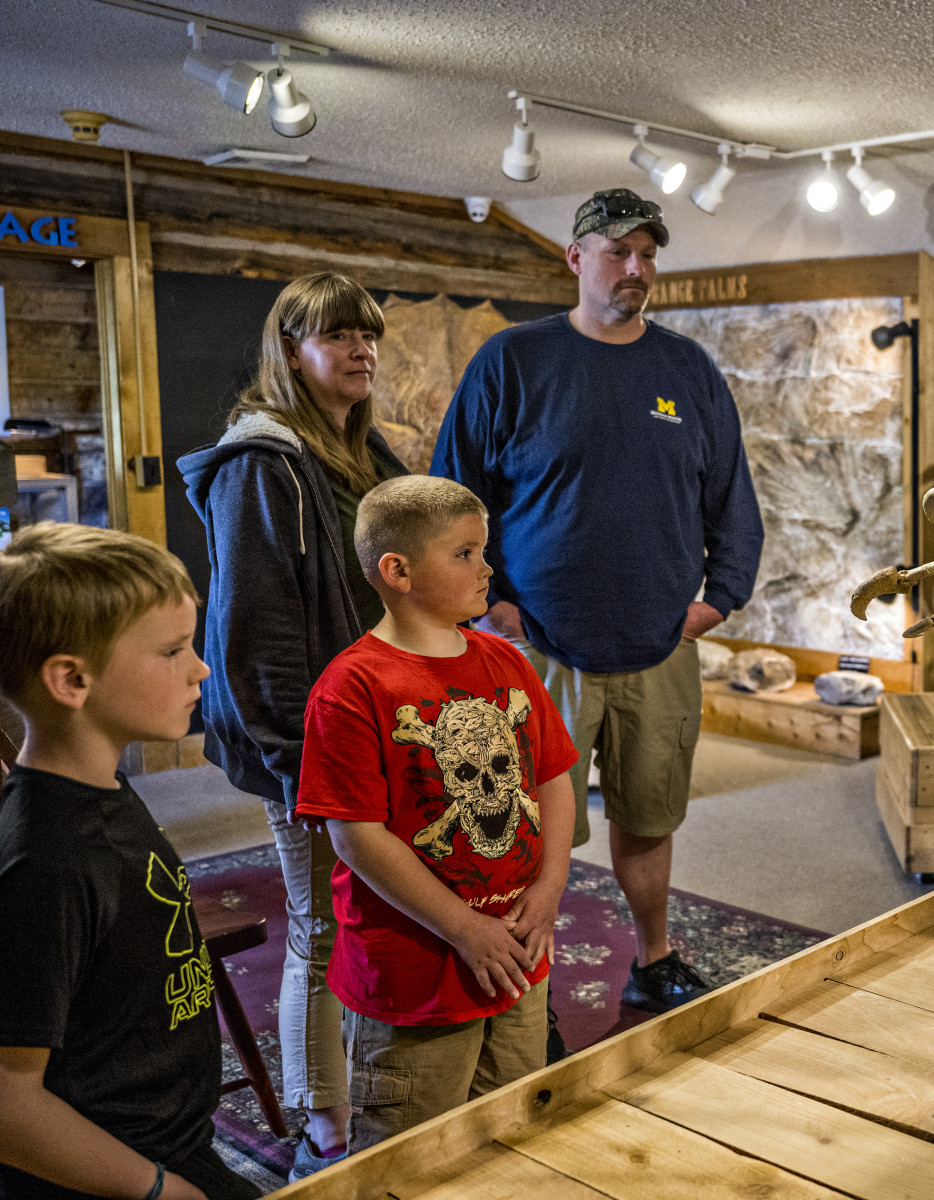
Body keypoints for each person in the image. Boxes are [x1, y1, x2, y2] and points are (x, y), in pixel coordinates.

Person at [432, 189, 763, 1014]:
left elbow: (732, 498)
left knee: (650, 817)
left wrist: (719, 599)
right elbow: (449, 496)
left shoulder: (687, 369)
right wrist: (489, 608)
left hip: (660, 643)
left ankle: (654, 958)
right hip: (536, 645)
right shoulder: (512, 362)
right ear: (576, 259)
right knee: (525, 834)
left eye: (648, 253)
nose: (637, 269)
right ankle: (524, 990)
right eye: (618, 252)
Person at [177, 272, 408, 1180]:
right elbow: (255, 637)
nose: (363, 351)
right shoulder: (260, 464)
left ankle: (376, 1087)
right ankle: (324, 1122)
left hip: (381, 729)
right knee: (321, 930)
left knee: (376, 915)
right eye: (339, 335)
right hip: (309, 746)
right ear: (289, 350)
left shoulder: (363, 454)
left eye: (370, 336)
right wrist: (294, 768)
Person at [295, 476, 576, 1147]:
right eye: (466, 553)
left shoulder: (506, 662)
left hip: (518, 956)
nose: (487, 568)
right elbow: (356, 836)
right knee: (416, 1152)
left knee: (513, 1135)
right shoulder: (352, 686)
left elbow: (555, 779)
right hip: (416, 980)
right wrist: (461, 927)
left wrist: (550, 885)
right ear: (396, 570)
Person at [0, 523, 259, 1200]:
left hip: (177, 1145)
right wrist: (157, 1189)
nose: (200, 667)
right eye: (172, 651)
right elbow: (8, 1103)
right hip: (114, 1177)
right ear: (72, 679)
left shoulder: (104, 790)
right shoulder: (47, 861)